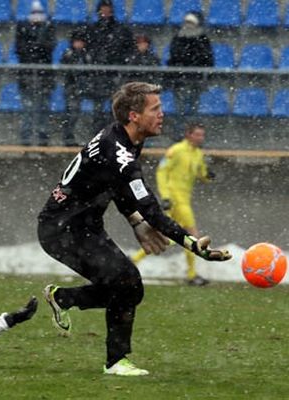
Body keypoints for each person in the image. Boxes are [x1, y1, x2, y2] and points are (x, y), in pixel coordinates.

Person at [37, 82, 231, 376]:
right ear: (134, 115)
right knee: (126, 282)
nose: (162, 115)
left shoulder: (124, 139)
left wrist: (134, 221)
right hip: (61, 230)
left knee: (130, 287)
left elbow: (115, 187)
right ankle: (115, 361)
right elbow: (151, 207)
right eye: (155, 109)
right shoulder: (120, 153)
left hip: (83, 226)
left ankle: (64, 299)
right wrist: (191, 244)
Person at [131, 123, 215, 286]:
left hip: (185, 199)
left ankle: (133, 260)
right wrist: (166, 196)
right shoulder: (176, 150)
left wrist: (208, 175)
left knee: (167, 237)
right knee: (192, 235)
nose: (200, 138)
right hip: (175, 200)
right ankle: (191, 275)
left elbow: (200, 173)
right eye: (197, 135)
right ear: (188, 135)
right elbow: (162, 172)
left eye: (202, 135)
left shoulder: (198, 153)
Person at [84, 0, 134, 131]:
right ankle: (98, 133)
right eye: (102, 9)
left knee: (116, 106)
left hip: (114, 74)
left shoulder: (121, 30)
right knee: (98, 107)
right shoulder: (92, 30)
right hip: (98, 75)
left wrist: (118, 63)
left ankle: (114, 132)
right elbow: (88, 50)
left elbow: (128, 50)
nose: (105, 12)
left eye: (107, 9)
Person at [14, 0, 56, 146]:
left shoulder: (48, 29)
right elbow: (20, 50)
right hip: (28, 77)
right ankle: (26, 141)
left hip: (44, 77)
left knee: (43, 109)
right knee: (28, 110)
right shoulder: (23, 28)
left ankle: (42, 140)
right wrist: (37, 46)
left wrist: (35, 45)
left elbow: (49, 48)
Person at [167, 11, 213, 119]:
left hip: (195, 80)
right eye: (187, 22)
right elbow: (174, 56)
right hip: (179, 80)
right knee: (179, 111)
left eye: (191, 22)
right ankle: (181, 133)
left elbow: (206, 58)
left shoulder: (202, 39)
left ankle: (190, 131)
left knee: (193, 109)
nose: (188, 25)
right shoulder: (178, 37)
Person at [60, 27, 93, 147]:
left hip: (84, 88)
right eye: (77, 41)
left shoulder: (87, 55)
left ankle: (77, 137)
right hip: (72, 87)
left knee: (78, 113)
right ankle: (68, 137)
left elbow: (90, 71)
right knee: (71, 113)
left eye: (81, 41)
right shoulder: (68, 54)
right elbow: (65, 69)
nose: (79, 44)